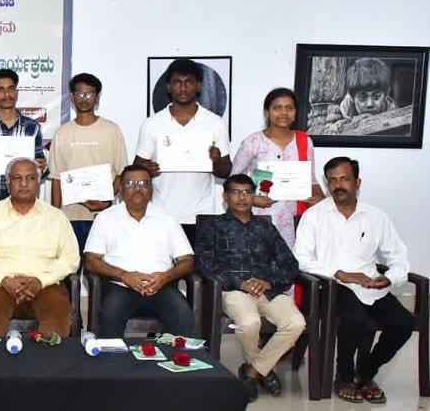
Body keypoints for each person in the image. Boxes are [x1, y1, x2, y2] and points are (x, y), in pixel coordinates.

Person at [295, 157, 412, 404]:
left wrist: (388, 279)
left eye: (344, 179)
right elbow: (301, 259)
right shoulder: (314, 216)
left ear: (357, 182)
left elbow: (398, 256)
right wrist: (339, 273)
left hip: (370, 285)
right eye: (332, 180)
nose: (338, 185)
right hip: (330, 285)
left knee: (403, 322)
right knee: (354, 318)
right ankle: (344, 376)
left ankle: (366, 373)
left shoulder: (376, 216)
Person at [195, 174, 305, 402]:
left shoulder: (265, 227)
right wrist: (239, 282)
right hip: (233, 290)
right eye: (236, 192)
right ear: (225, 197)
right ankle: (263, 370)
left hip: (268, 289)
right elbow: (204, 264)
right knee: (249, 323)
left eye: (247, 192)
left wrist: (269, 281)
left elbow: (290, 264)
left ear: (253, 196)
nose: (242, 197)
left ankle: (253, 372)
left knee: (296, 323)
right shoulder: (212, 226)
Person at [0, 158, 79, 336]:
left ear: (39, 182)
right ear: (7, 183)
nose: (24, 184)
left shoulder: (56, 217)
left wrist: (41, 280)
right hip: (0, 286)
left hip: (45, 285)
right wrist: (3, 279)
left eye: (30, 178)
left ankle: (48, 356)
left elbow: (70, 259)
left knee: (56, 324)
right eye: (17, 178)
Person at [84, 164, 196, 338]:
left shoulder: (167, 219)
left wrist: (165, 277)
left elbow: (187, 260)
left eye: (144, 183)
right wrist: (124, 276)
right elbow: (90, 260)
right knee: (110, 315)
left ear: (151, 189)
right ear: (121, 189)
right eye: (130, 183)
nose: (138, 188)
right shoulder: (105, 218)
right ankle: (112, 356)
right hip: (120, 286)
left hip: (161, 286)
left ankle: (178, 356)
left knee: (183, 316)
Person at [134, 58, 231, 242]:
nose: (183, 88)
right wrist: (147, 169)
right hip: (162, 213)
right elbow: (137, 168)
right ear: (168, 87)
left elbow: (225, 171)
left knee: (199, 261)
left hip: (202, 214)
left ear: (199, 86)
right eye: (177, 82)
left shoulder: (215, 123)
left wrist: (217, 160)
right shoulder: (152, 124)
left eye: (189, 82)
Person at [231, 87, 325, 248]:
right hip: (259, 218)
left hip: (295, 221)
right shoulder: (253, 142)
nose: (284, 112)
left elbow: (311, 179)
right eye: (277, 108)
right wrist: (252, 199)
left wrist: (320, 199)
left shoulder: (304, 141)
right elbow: (232, 182)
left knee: (291, 260)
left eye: (289, 108)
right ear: (267, 112)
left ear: (295, 113)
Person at [49, 72, 128, 253]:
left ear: (97, 98)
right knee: (71, 267)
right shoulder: (62, 133)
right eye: (79, 93)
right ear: (72, 97)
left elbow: (121, 173)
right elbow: (56, 178)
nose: (84, 98)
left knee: (102, 267)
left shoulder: (111, 130)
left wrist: (106, 201)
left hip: (104, 215)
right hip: (71, 216)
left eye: (89, 94)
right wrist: (55, 217)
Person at [0, 69, 47, 215]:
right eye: (0, 90)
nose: (7, 94)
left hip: (25, 207)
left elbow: (39, 171)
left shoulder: (32, 127)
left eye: (11, 88)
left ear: (16, 93)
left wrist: (41, 166)